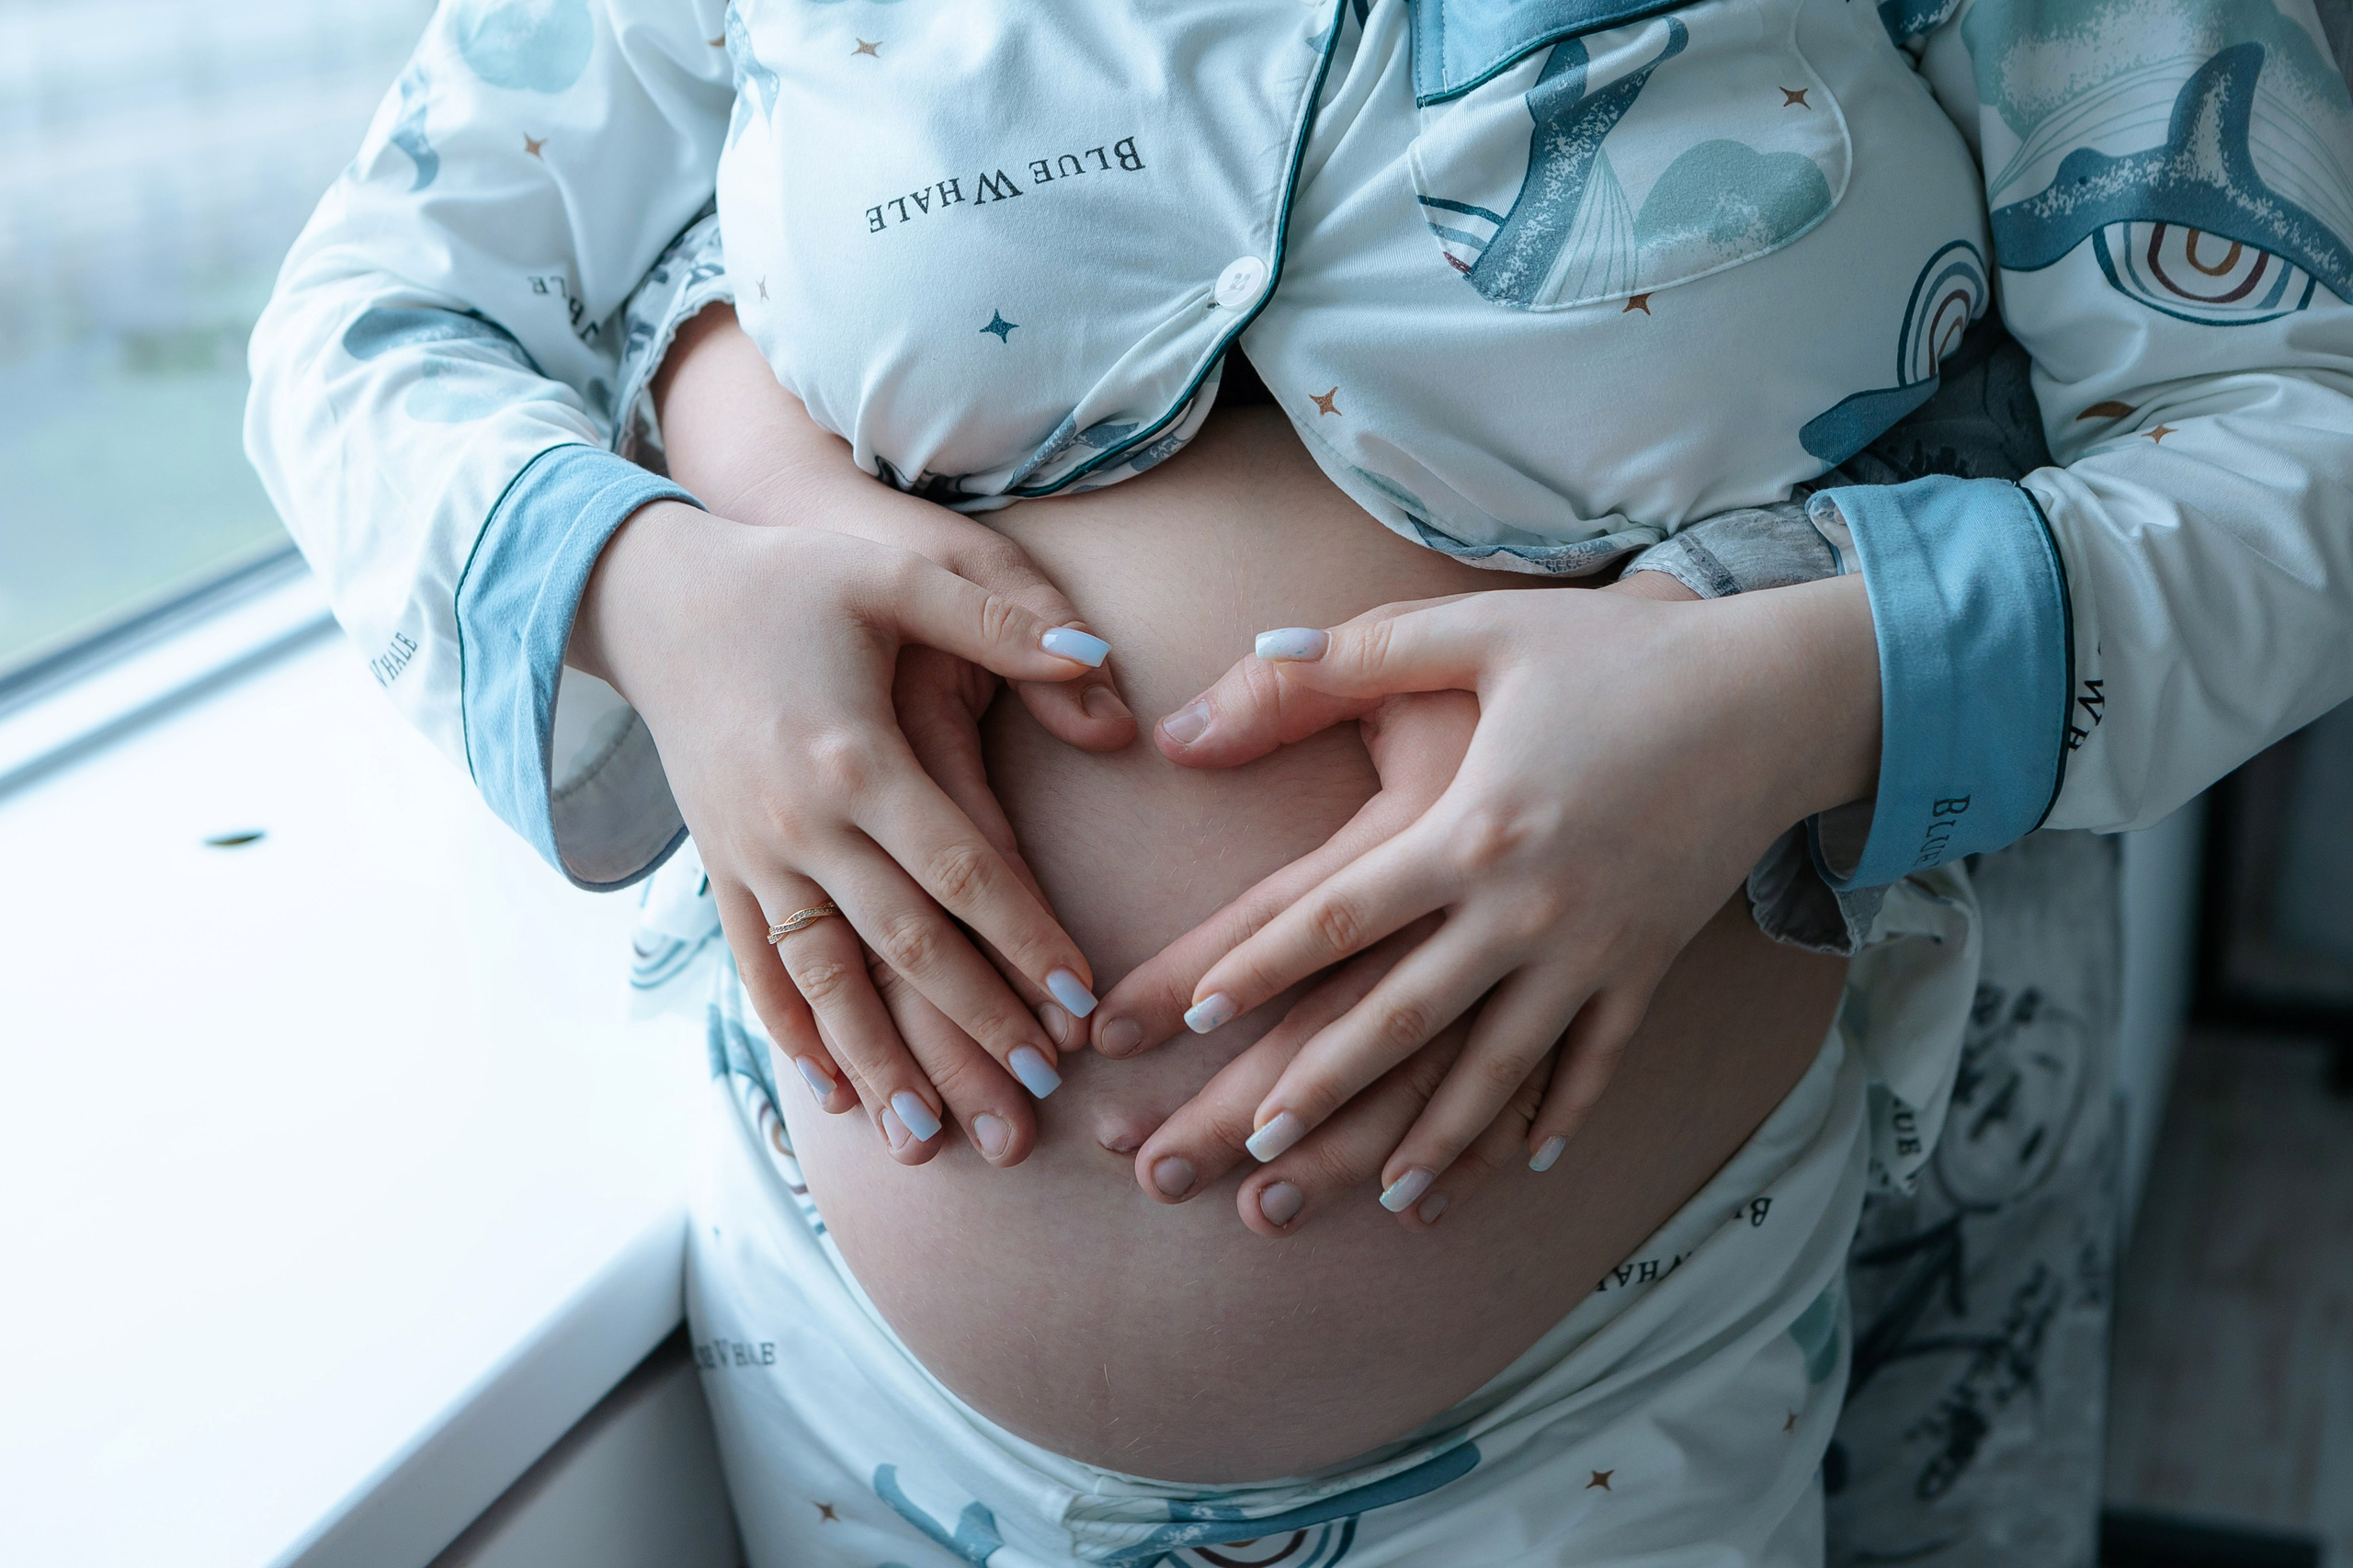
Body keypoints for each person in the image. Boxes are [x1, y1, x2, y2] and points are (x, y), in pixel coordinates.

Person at [244, 0, 2353, 1562]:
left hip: (1622, 1371)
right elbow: (374, 316)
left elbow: (2299, 435)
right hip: (844, 1369)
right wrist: (656, 586)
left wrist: (1796, 691)